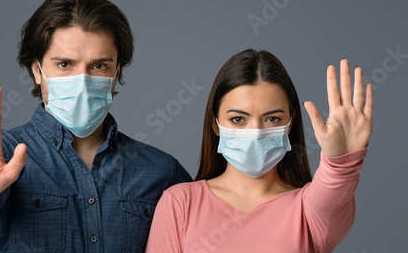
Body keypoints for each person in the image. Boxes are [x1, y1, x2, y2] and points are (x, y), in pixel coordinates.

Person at [0, 0, 192, 252]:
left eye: (98, 66)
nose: (82, 80)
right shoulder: (1, 154)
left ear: (117, 72)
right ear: (37, 70)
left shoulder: (162, 172)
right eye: (64, 65)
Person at [145, 49, 372, 253]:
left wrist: (340, 161)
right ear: (215, 124)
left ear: (290, 123)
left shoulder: (309, 211)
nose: (255, 132)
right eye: (238, 119)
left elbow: (332, 192)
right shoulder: (180, 203)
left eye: (272, 119)